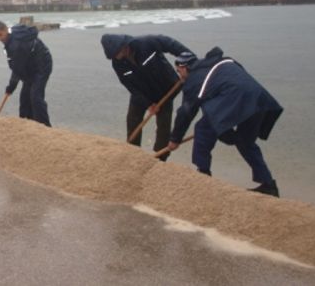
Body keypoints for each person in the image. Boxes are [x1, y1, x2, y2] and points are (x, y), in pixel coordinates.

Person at [166, 48, 282, 197]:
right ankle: (269, 185)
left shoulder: (194, 79)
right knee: (246, 142)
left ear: (184, 67)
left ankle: (203, 176)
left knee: (202, 129)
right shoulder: (223, 61)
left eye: (178, 72)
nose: (180, 77)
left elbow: (186, 112)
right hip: (257, 98)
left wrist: (174, 139)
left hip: (235, 98)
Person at [100, 34, 192, 160]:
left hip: (165, 90)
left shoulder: (147, 43)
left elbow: (171, 45)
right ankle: (133, 153)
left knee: (163, 128)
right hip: (141, 94)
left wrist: (190, 64)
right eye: (112, 55)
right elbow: (130, 86)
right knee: (132, 121)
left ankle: (160, 157)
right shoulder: (117, 63)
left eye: (116, 53)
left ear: (124, 46)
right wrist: (148, 104)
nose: (116, 57)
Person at [0, 21, 53, 127]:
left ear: (6, 30)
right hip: (29, 67)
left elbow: (17, 70)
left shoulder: (16, 45)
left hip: (42, 66)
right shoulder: (13, 33)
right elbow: (18, 67)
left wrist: (10, 88)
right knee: (24, 98)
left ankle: (45, 127)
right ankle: (27, 124)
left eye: (0, 35)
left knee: (35, 97)